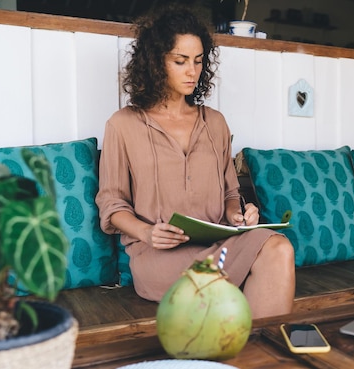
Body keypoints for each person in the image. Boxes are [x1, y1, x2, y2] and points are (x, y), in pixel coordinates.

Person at [95, 5, 295, 319]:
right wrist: (147, 233)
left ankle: (259, 355)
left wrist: (239, 215)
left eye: (199, 61)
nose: (192, 71)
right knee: (218, 288)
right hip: (159, 255)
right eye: (180, 60)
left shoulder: (215, 123)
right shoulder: (123, 124)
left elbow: (231, 193)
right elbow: (111, 202)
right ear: (155, 62)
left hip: (220, 246)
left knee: (279, 247)